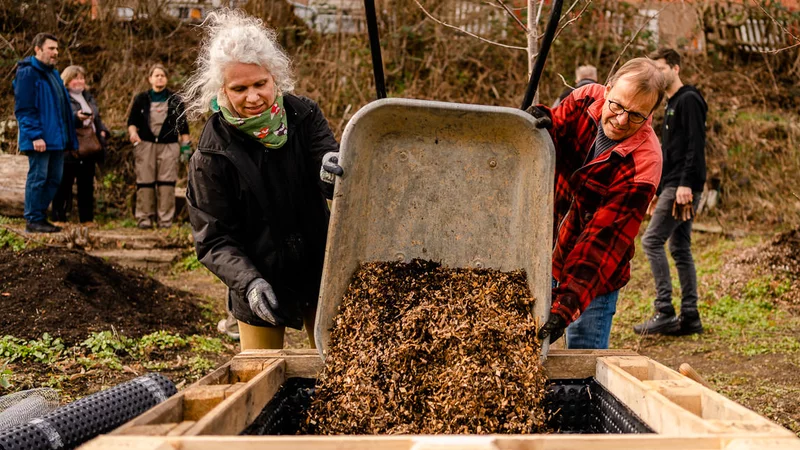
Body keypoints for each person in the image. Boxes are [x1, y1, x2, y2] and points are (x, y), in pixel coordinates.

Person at [184, 10, 342, 350]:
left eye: (260, 84)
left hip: (320, 269)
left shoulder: (304, 117)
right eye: (239, 88)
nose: (253, 97)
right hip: (259, 278)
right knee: (261, 377)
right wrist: (248, 282)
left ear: (275, 77)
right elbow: (213, 238)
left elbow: (333, 175)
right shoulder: (212, 156)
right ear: (221, 91)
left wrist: (333, 169)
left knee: (335, 366)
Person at [530, 58, 668, 349]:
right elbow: (555, 130)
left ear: (651, 115)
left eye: (636, 116)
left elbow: (600, 244)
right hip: (542, 255)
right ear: (607, 89)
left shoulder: (643, 165)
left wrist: (565, 307)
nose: (621, 121)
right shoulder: (584, 99)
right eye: (617, 106)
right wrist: (538, 124)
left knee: (584, 362)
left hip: (594, 276)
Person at [634, 48, 707, 336]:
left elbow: (694, 145)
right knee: (680, 248)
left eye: (661, 68)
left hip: (683, 186)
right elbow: (669, 152)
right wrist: (659, 188)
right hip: (673, 184)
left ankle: (664, 310)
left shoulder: (688, 99)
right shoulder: (671, 102)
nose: (657, 73)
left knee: (651, 241)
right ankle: (690, 317)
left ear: (675, 68)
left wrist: (684, 184)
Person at [13, 33, 78, 233]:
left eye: (57, 49)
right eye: (51, 48)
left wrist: (72, 128)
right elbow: (24, 109)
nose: (55, 53)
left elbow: (61, 109)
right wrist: (35, 135)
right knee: (38, 178)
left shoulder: (54, 74)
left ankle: (40, 217)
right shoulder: (27, 73)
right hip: (39, 139)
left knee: (54, 179)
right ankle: (33, 219)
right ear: (38, 49)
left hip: (57, 139)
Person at [127, 64, 190, 229]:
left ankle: (165, 221)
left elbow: (183, 127)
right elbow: (132, 122)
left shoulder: (175, 100)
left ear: (167, 78)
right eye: (156, 75)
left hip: (169, 146)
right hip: (145, 145)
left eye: (162, 75)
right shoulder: (141, 99)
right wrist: (133, 134)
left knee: (166, 183)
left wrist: (185, 147)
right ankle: (144, 219)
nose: (159, 78)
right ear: (150, 79)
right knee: (145, 182)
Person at [51, 65, 110, 226]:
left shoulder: (88, 97)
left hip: (89, 147)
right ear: (68, 80)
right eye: (76, 78)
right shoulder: (62, 97)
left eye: (82, 78)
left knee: (86, 185)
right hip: (70, 147)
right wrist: (76, 117)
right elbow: (59, 118)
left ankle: (87, 219)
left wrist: (103, 131)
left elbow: (97, 118)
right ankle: (59, 217)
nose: (79, 81)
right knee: (65, 183)